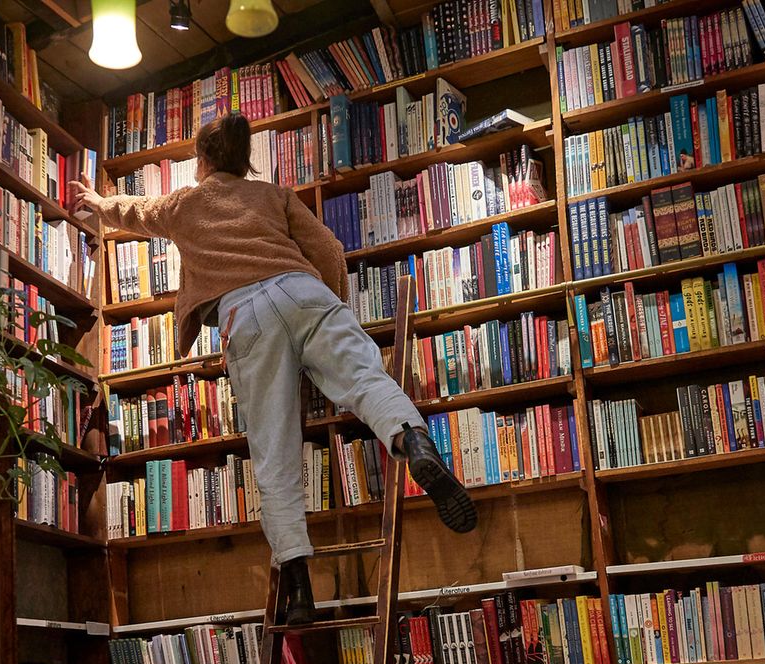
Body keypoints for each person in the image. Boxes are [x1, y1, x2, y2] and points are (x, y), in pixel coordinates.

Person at [70, 112, 475, 625]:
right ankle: (413, 441)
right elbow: (328, 248)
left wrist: (100, 204)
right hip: (304, 292)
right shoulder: (273, 195)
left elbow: (137, 212)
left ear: (202, 159)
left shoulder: (184, 202)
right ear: (246, 161)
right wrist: (331, 308)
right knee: (368, 381)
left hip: (247, 315)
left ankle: (300, 589)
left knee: (274, 452)